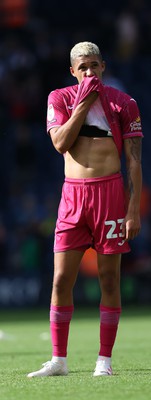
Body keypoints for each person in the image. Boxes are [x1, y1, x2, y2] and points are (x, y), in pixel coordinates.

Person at [27, 41, 143, 378]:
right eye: (83, 67)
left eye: (94, 65)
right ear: (72, 71)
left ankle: (103, 361)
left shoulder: (125, 104)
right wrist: (84, 103)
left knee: (109, 277)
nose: (89, 72)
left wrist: (132, 209)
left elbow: (134, 160)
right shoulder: (59, 98)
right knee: (61, 278)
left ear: (104, 66)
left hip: (109, 195)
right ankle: (59, 360)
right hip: (73, 198)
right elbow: (60, 143)